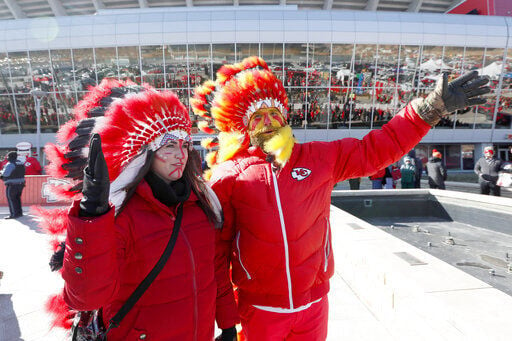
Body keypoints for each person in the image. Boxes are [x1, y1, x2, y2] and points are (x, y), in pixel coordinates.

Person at [191, 56, 490, 340]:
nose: (268, 121)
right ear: (242, 125)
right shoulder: (227, 177)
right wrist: (226, 320)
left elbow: (377, 148)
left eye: (273, 113)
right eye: (257, 116)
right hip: (260, 310)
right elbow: (216, 256)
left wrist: (428, 110)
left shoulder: (319, 157)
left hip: (314, 306)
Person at [40, 80, 233, 340]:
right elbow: (85, 297)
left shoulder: (201, 206)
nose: (181, 154)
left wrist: (228, 323)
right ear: (145, 154)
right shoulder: (121, 216)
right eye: (169, 145)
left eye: (185, 145)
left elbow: (216, 272)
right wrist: (91, 218)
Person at [0, 151, 26, 219]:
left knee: (11, 199)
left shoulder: (10, 164)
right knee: (17, 199)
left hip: (12, 184)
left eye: (7, 157)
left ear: (10, 157)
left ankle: (14, 214)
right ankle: (19, 213)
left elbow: (6, 174)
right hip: (21, 184)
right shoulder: (20, 163)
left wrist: (1, 172)